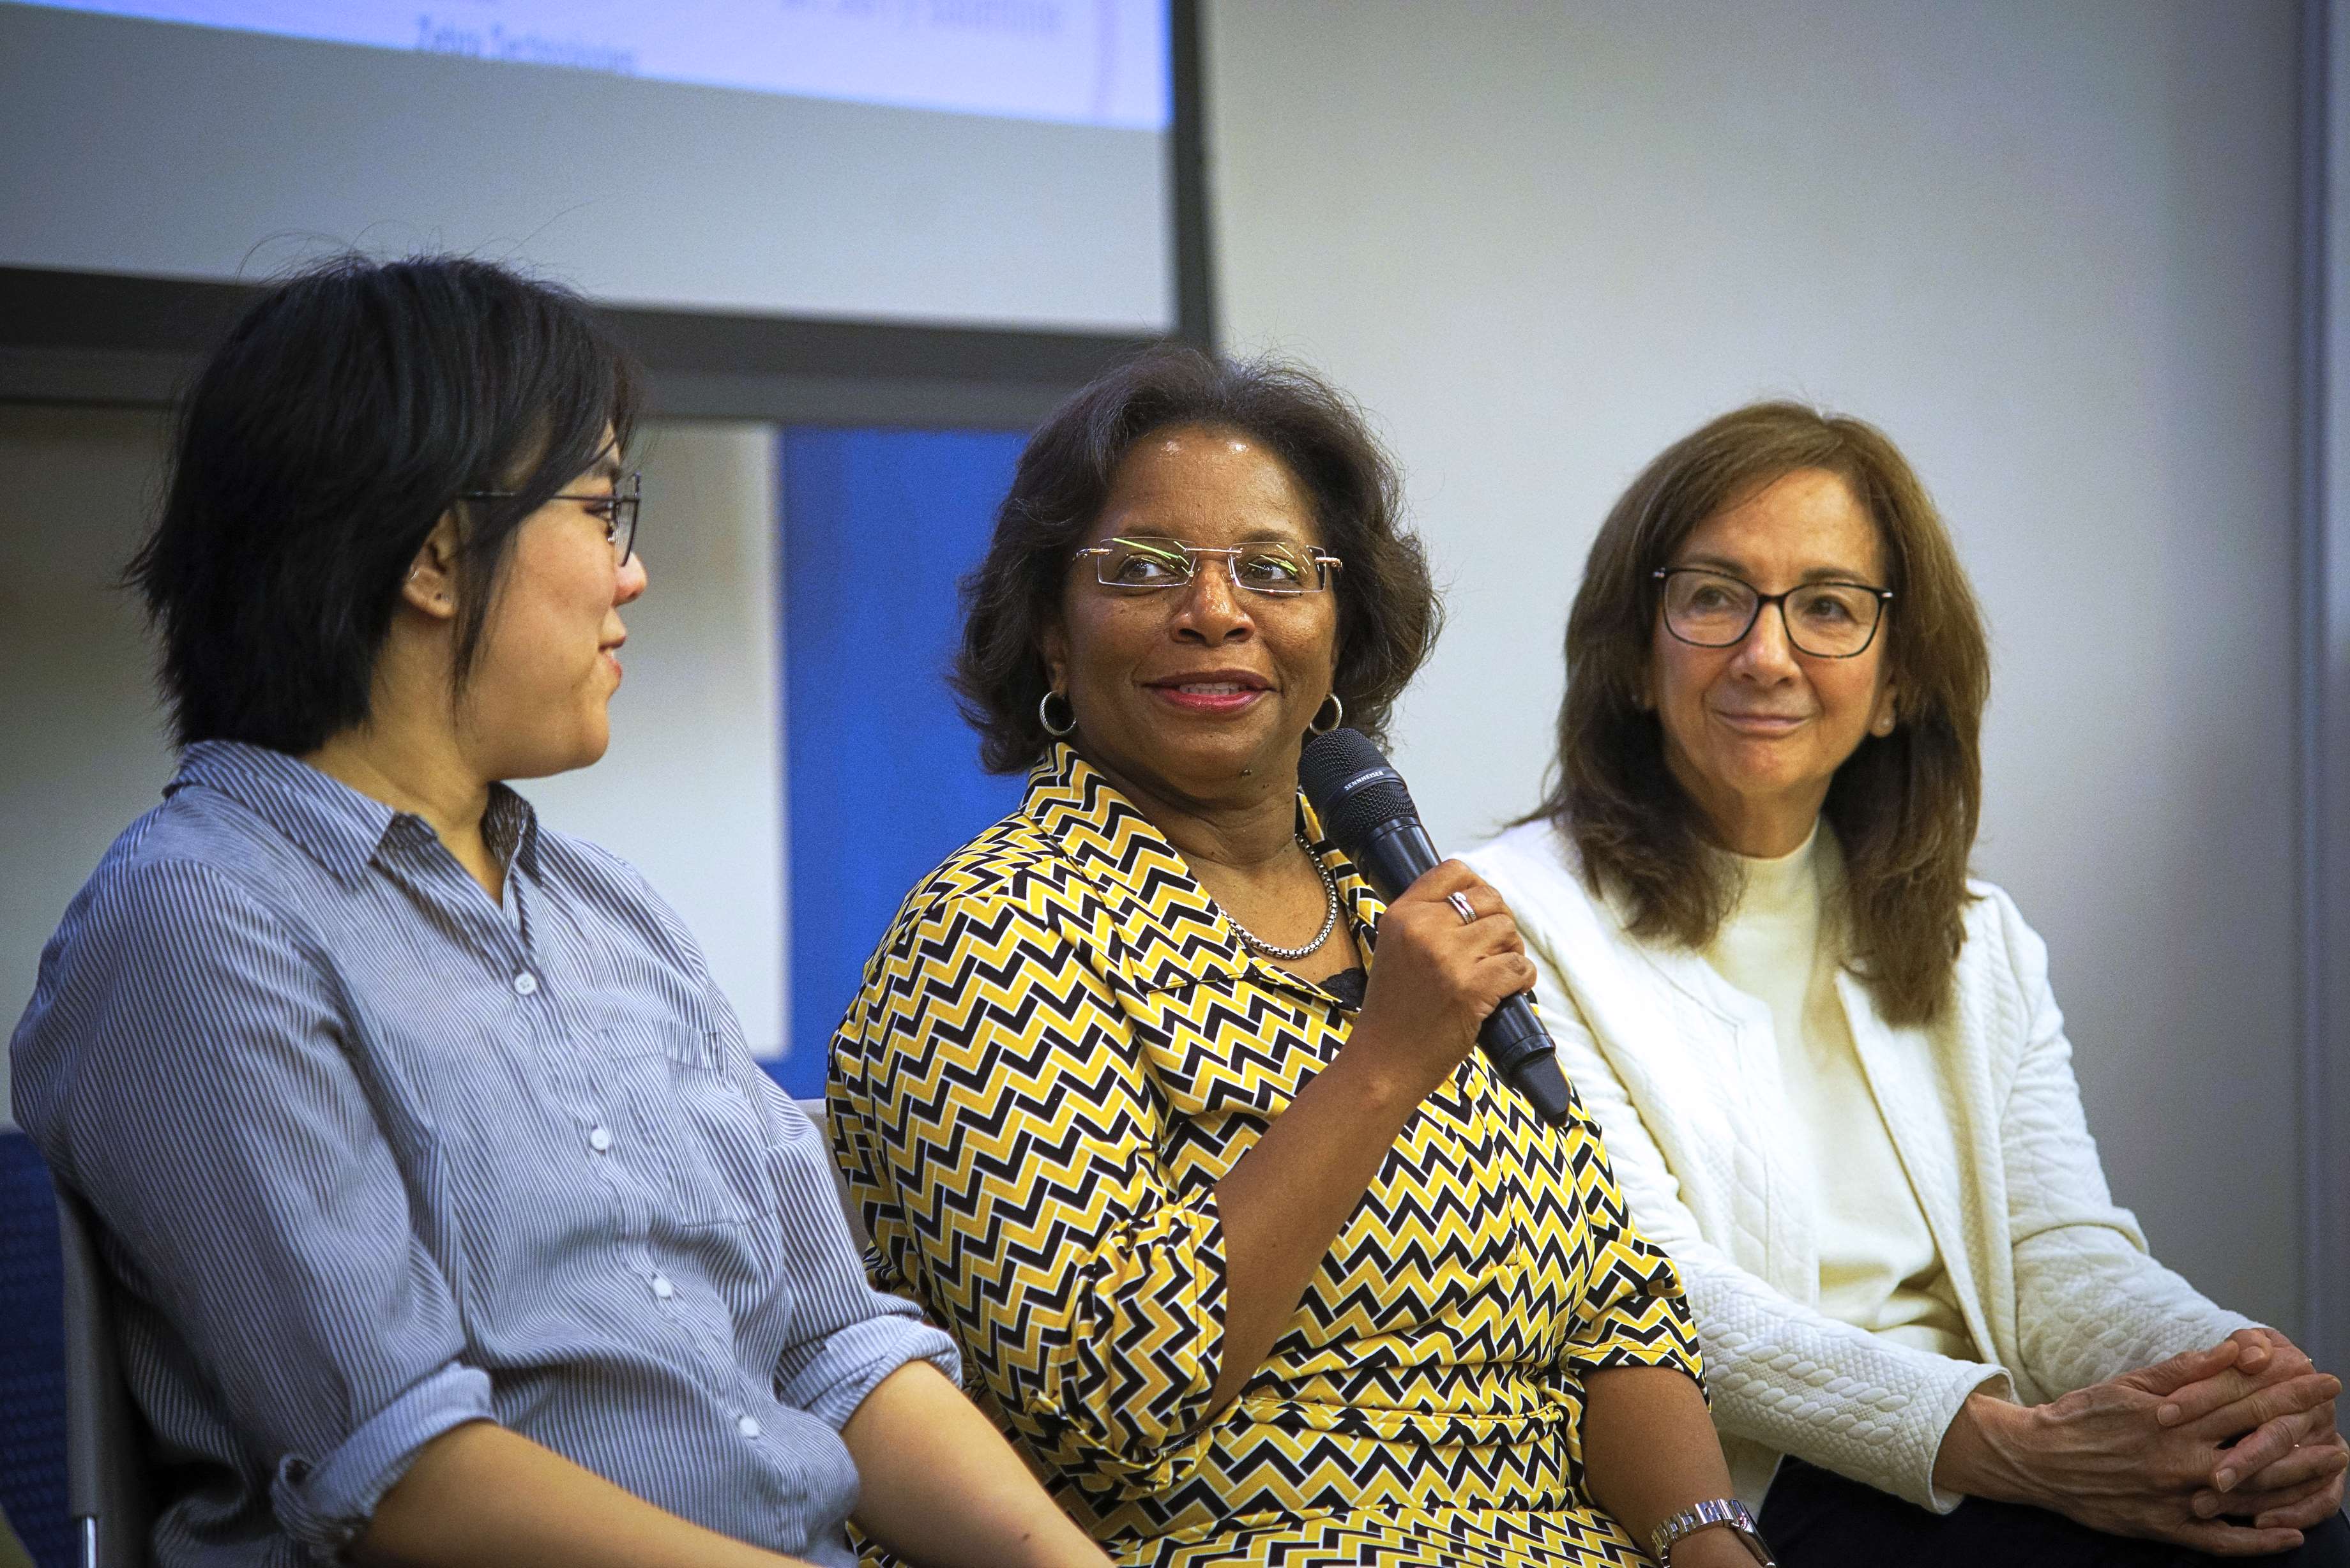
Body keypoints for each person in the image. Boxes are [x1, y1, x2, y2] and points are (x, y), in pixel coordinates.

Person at [10, 255, 1108, 1568]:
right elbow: (406, 1475)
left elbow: (836, 1346)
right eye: (599, 511)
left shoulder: (607, 911)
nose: (629, 576)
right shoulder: (197, 926)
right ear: (433, 556)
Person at [829, 349, 1774, 1568]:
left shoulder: (1396, 900)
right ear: (1052, 640)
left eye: (1273, 571)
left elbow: (1617, 1302)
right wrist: (1379, 1069)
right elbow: (1102, 1402)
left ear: (1341, 630)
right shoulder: (996, 935)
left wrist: (1710, 1543)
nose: (1216, 610)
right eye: (1143, 570)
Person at [1463, 400, 2348, 1564]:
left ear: (1896, 683)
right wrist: (2014, 1448)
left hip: (2001, 1442)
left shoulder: (1979, 937)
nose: (1767, 654)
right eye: (1716, 597)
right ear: (1635, 656)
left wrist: (2231, 1384)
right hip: (1747, 1488)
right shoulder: (1510, 919)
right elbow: (1660, 1296)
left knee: (2301, 1524)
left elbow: (2058, 1255)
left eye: (1828, 607)